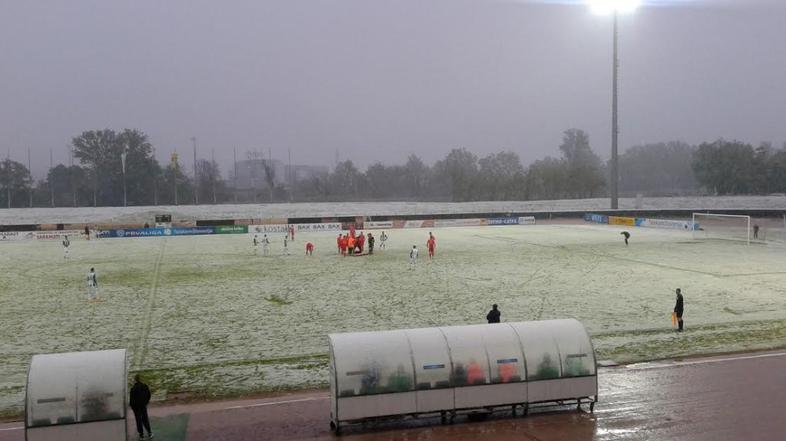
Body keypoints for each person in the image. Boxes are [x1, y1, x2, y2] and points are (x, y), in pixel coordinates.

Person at [129, 374, 153, 440]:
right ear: (140, 379)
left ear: (135, 380)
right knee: (145, 419)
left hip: (136, 408)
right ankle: (150, 433)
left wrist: (133, 408)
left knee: (138, 420)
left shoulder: (133, 388)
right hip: (143, 406)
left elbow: (131, 400)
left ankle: (141, 435)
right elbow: (149, 395)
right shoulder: (144, 386)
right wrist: (146, 402)